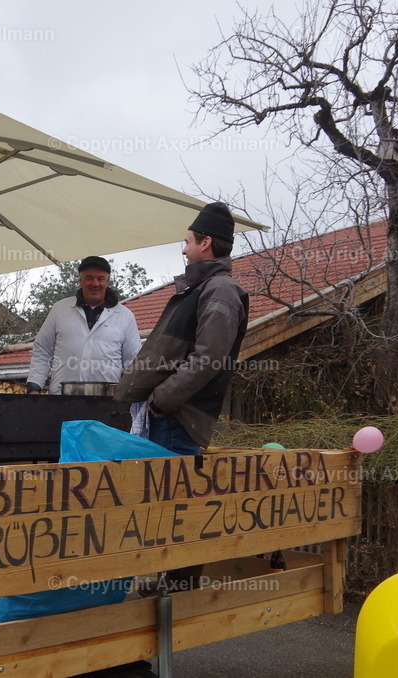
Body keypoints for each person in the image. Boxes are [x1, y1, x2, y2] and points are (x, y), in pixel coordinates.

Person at [117, 202, 249, 595]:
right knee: (164, 510)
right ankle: (165, 593)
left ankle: (175, 601)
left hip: (177, 419)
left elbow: (209, 357)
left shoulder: (220, 289)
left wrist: (163, 401)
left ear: (206, 242)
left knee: (176, 513)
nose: (183, 249)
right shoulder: (201, 287)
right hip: (166, 416)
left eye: (188, 241)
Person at [26, 256, 141, 395]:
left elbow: (133, 361)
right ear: (80, 280)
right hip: (61, 398)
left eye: (100, 278)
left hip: (107, 401)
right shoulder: (60, 309)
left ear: (108, 281)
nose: (95, 283)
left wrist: (135, 394)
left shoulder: (125, 316)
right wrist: (34, 386)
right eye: (89, 278)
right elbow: (43, 350)